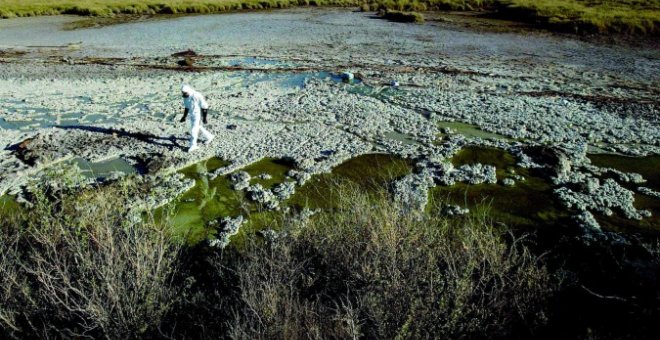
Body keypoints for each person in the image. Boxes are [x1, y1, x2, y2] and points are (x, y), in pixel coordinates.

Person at [179, 84, 214, 152]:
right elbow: (187, 107)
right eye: (183, 93)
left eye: (185, 93)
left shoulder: (196, 95)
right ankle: (209, 137)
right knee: (199, 127)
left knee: (193, 130)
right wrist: (184, 116)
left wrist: (204, 118)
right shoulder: (185, 97)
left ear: (188, 91)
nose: (184, 94)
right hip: (191, 115)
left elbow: (204, 106)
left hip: (198, 115)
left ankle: (193, 145)